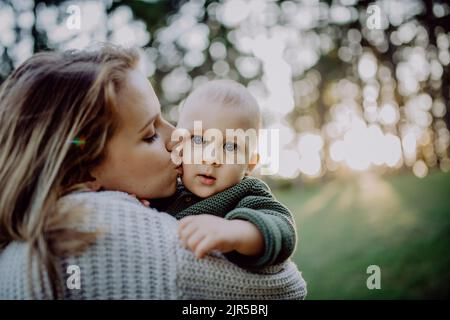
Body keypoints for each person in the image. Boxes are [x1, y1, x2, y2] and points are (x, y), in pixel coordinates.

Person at [0, 45, 307, 299]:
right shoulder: (90, 237)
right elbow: (285, 291)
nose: (178, 137)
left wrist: (239, 232)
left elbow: (279, 227)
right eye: (150, 134)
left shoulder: (244, 193)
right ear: (85, 172)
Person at [152, 80, 297, 269]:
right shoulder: (165, 185)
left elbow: (283, 230)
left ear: (249, 164)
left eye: (230, 146)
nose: (211, 158)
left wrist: (237, 231)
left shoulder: (246, 192)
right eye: (198, 139)